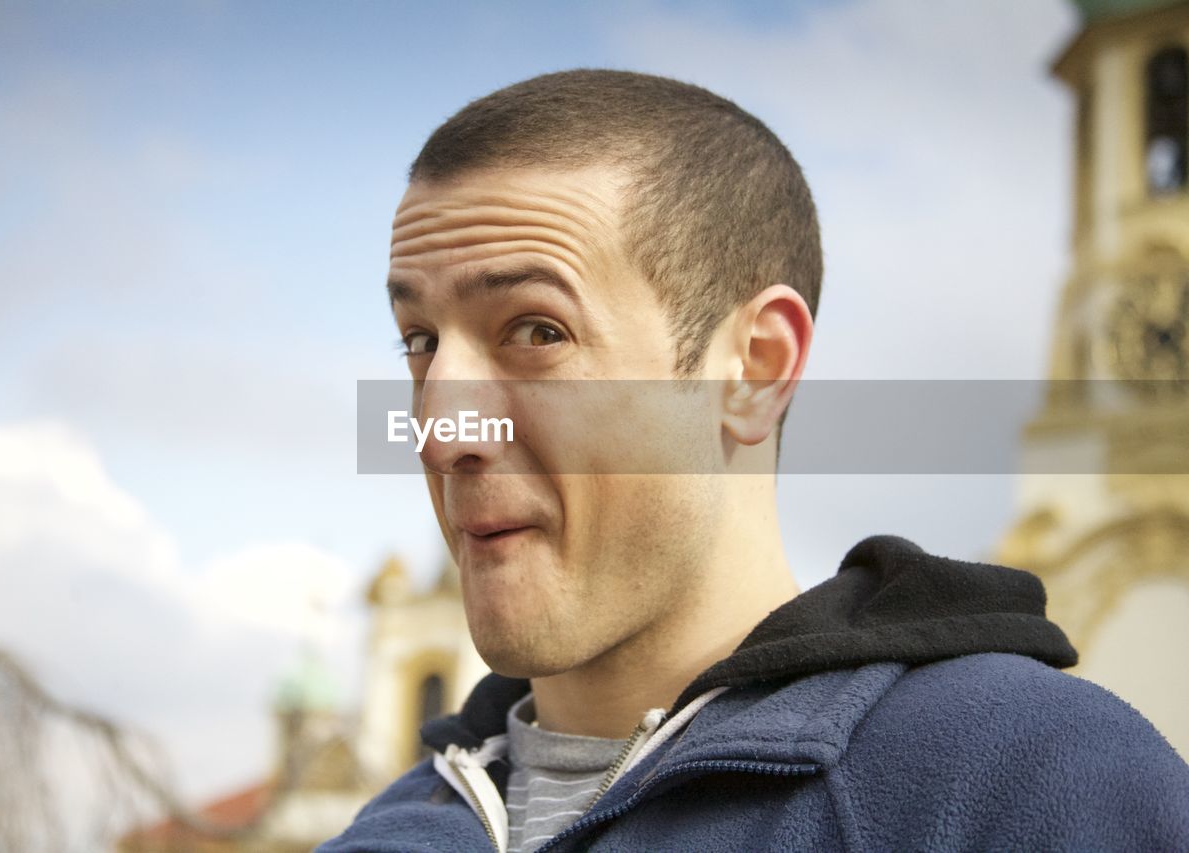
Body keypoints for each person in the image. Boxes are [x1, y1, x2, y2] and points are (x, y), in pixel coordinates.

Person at [320, 69, 1189, 851]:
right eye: (421, 341)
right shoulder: (376, 836)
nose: (439, 424)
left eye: (537, 331)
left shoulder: (1028, 785)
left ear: (754, 369)